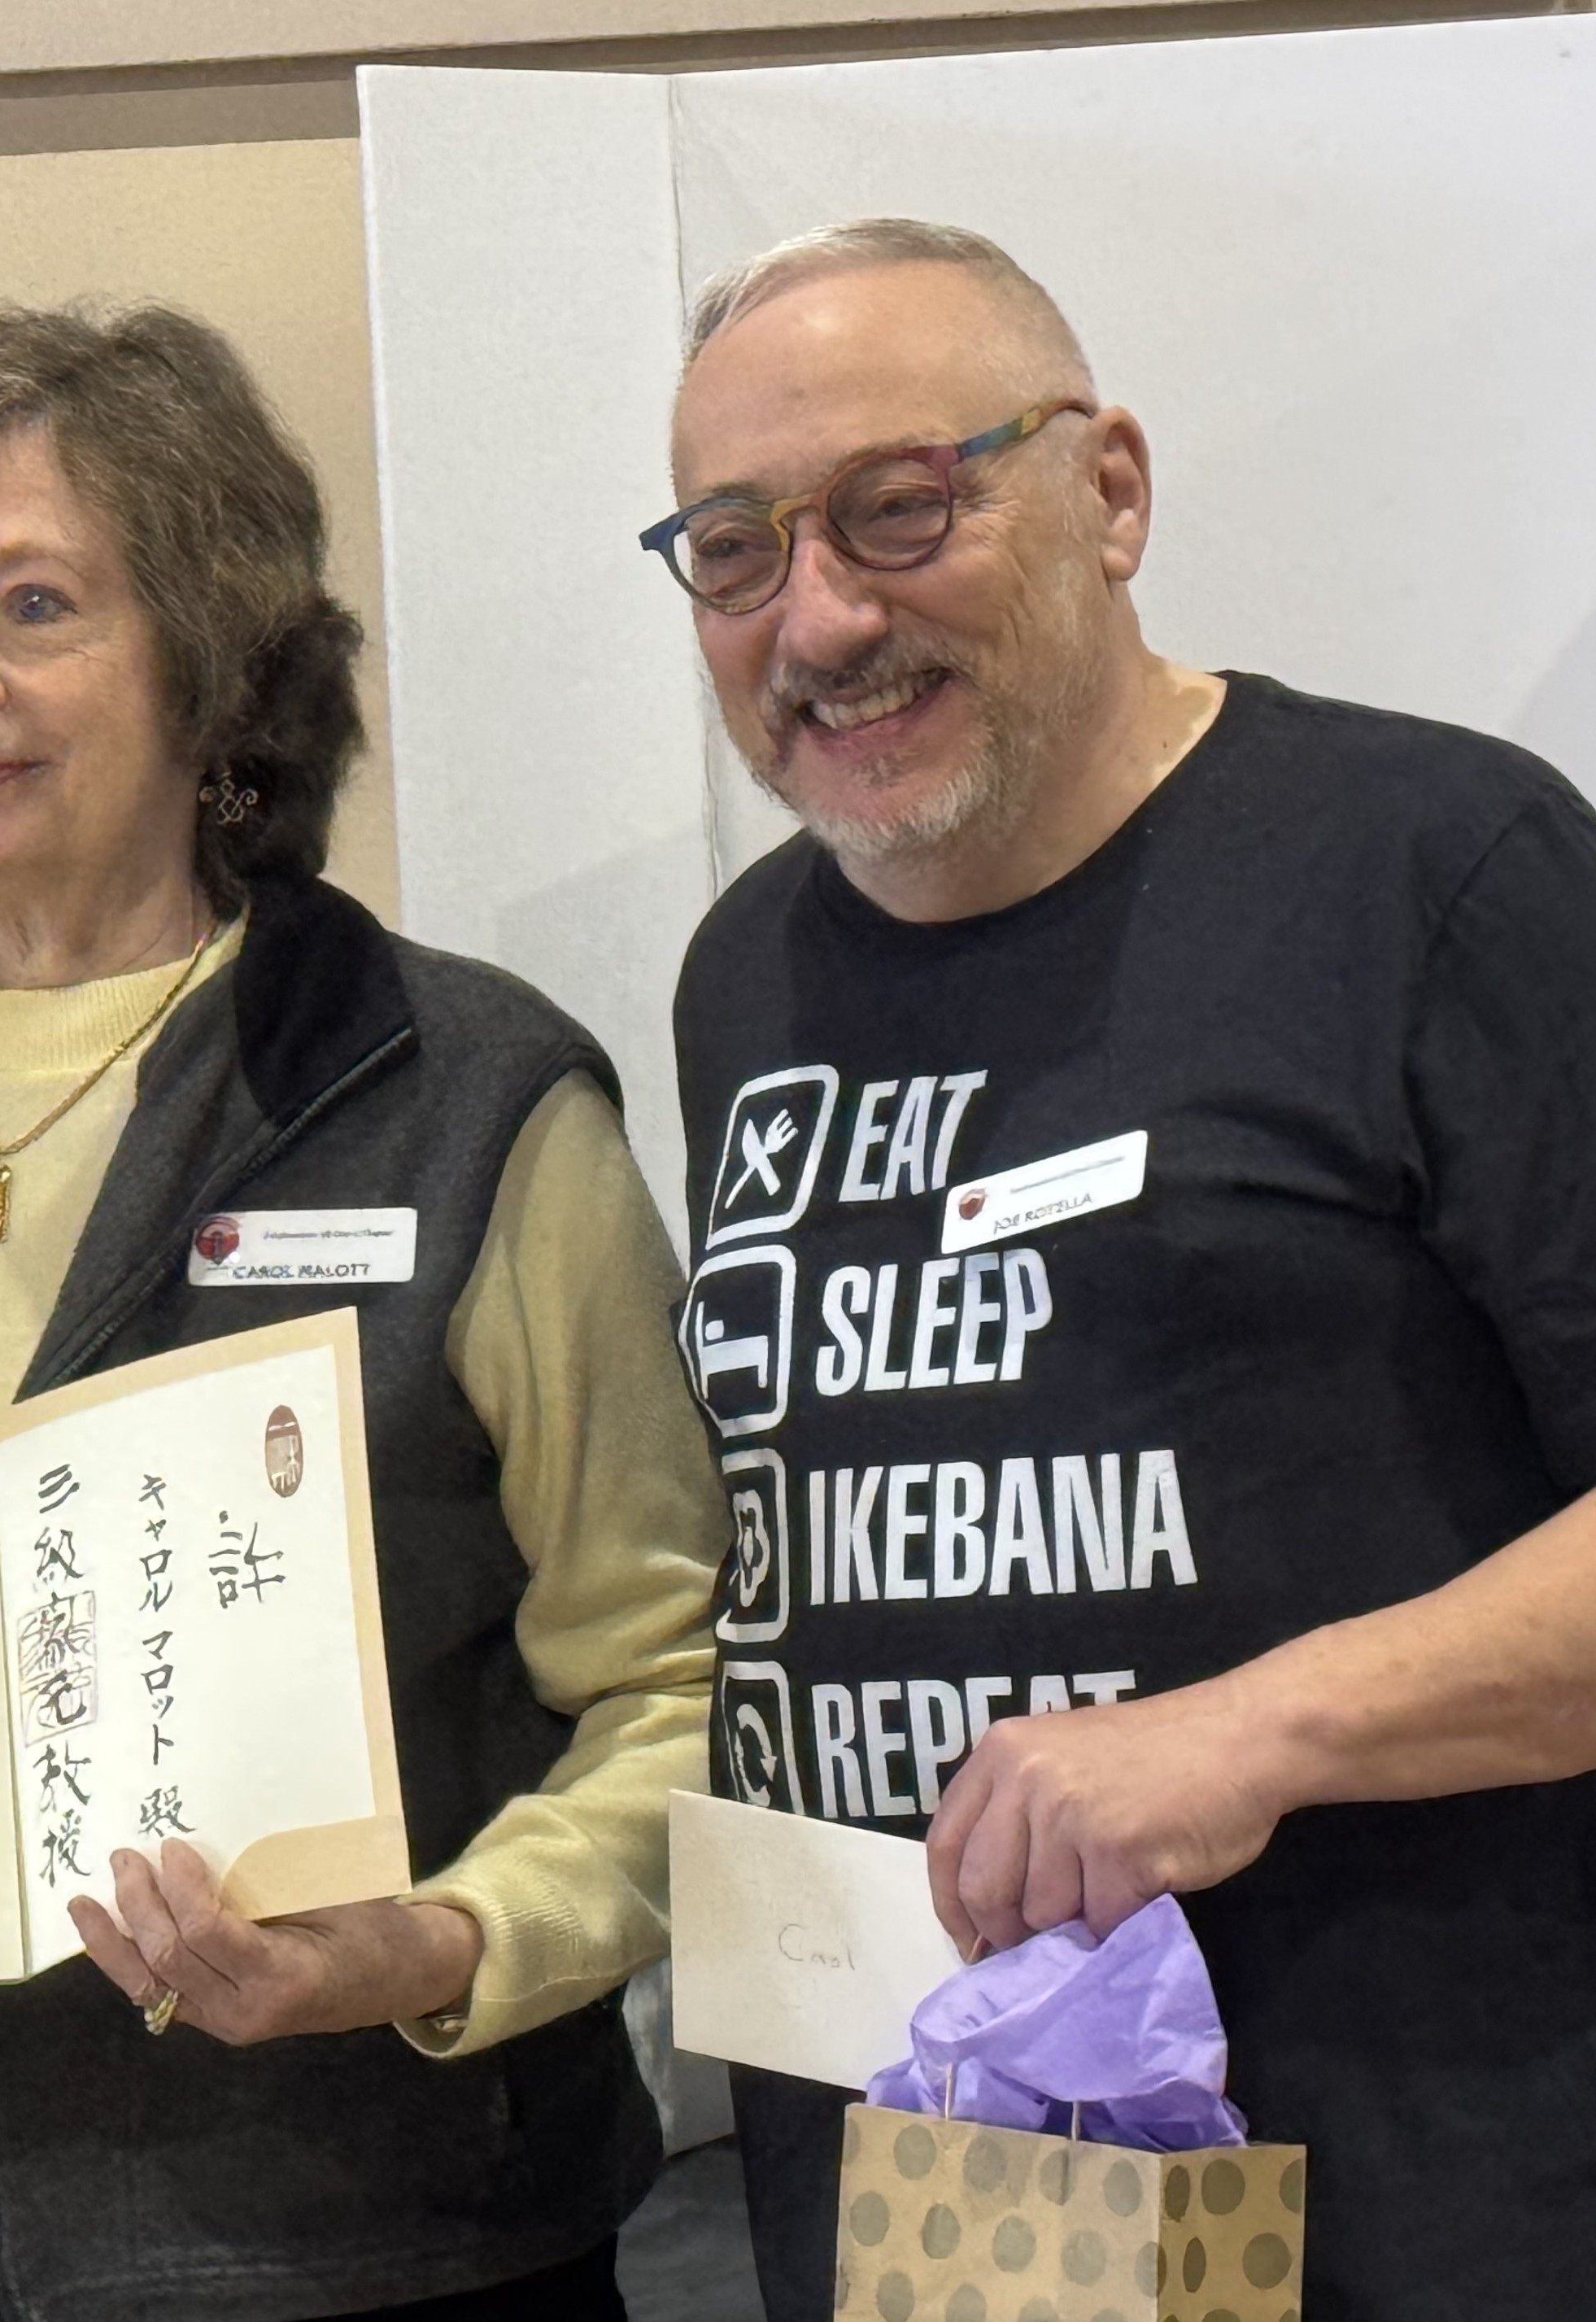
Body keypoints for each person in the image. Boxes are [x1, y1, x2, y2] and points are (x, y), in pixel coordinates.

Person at [0, 303, 725, 2322]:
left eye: (31, 603)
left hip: (379, 2248)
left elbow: (681, 1684)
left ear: (210, 662)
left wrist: (441, 1941)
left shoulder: (462, 1096)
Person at [652, 215, 1596, 2317]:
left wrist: (1255, 1728)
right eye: (733, 550)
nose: (818, 615)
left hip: (1408, 2203)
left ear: (1110, 490)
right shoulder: (751, 976)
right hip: (936, 2219)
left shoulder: (1443, 871)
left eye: (900, 508)